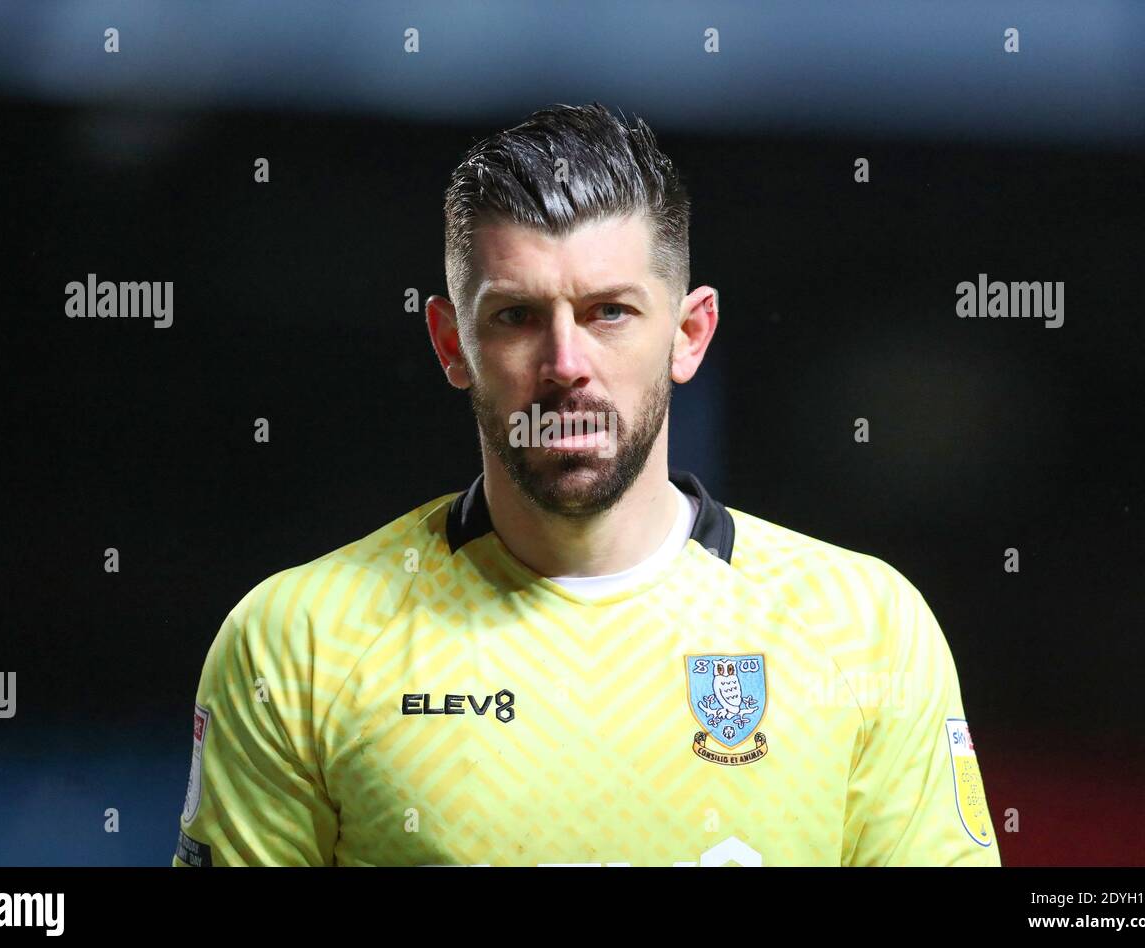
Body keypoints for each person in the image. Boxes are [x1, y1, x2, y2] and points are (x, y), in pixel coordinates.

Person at [172, 102, 1000, 867]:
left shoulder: (866, 631)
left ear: (688, 333)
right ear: (451, 343)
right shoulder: (298, 643)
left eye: (609, 312)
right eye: (517, 316)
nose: (566, 366)